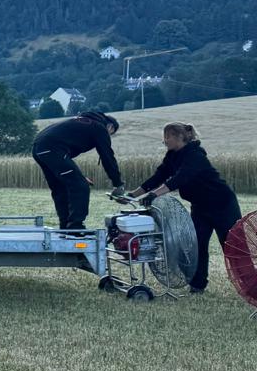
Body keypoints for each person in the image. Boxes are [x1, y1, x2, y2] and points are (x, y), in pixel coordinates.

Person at [129, 122, 242, 293]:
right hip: (200, 207)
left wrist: (154, 195)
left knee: (233, 246)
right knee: (195, 246)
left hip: (222, 205)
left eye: (167, 136)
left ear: (179, 137)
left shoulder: (195, 155)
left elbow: (180, 178)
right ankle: (197, 285)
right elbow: (159, 176)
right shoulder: (172, 156)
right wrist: (133, 195)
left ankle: (250, 284)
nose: (164, 140)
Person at [32, 109, 124, 230]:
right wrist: (117, 183)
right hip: (53, 149)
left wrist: (79, 175)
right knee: (81, 186)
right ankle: (75, 226)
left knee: (60, 188)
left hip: (39, 148)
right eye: (111, 133)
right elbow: (107, 157)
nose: (109, 136)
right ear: (110, 126)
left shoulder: (80, 122)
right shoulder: (99, 127)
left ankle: (65, 226)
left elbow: (65, 159)